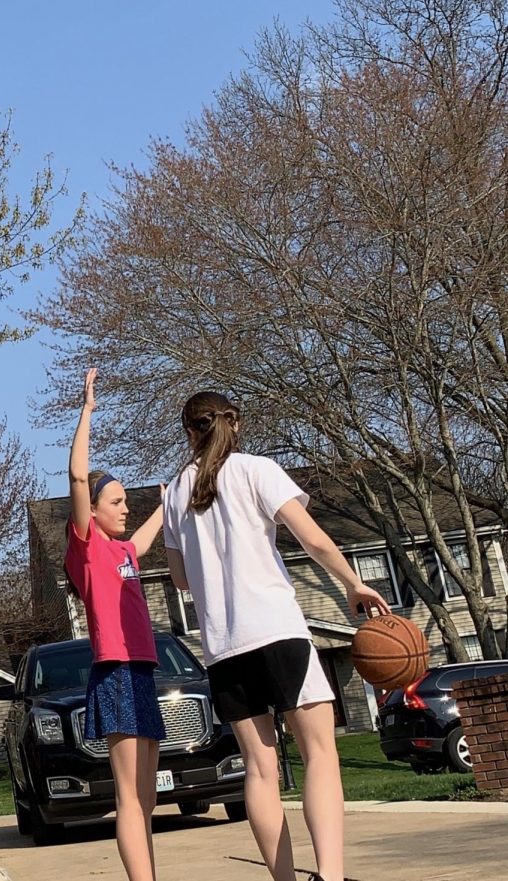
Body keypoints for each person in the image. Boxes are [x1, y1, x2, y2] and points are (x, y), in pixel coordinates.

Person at [162, 391, 391, 881]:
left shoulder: (174, 492)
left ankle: (284, 879)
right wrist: (353, 584)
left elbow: (180, 581)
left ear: (188, 431)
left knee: (261, 771)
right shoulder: (256, 469)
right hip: (277, 630)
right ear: (235, 423)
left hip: (223, 647)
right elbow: (313, 538)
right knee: (320, 754)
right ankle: (329, 875)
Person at [64, 368, 166, 881]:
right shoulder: (86, 548)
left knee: (147, 798)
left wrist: (173, 498)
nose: (126, 509)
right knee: (129, 796)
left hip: (143, 669)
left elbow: (146, 537)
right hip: (116, 671)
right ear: (94, 511)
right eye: (118, 502)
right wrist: (87, 411)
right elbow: (79, 477)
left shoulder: (125, 551)